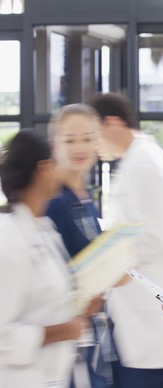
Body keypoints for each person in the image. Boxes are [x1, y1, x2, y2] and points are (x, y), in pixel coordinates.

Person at [89, 93, 163, 388]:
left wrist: (104, 265)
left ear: (111, 122)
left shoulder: (144, 163)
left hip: (148, 313)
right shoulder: (139, 159)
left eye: (92, 133)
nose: (93, 145)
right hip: (139, 314)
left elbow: (149, 239)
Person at [0, 129, 101, 387]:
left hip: (54, 375)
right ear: (44, 168)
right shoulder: (8, 239)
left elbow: (46, 302)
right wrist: (60, 332)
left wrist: (81, 308)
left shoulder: (44, 229)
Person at [45, 104, 116, 388]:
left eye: (87, 138)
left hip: (91, 334)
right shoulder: (52, 202)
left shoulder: (85, 199)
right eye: (70, 140)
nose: (80, 148)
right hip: (64, 342)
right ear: (54, 145)